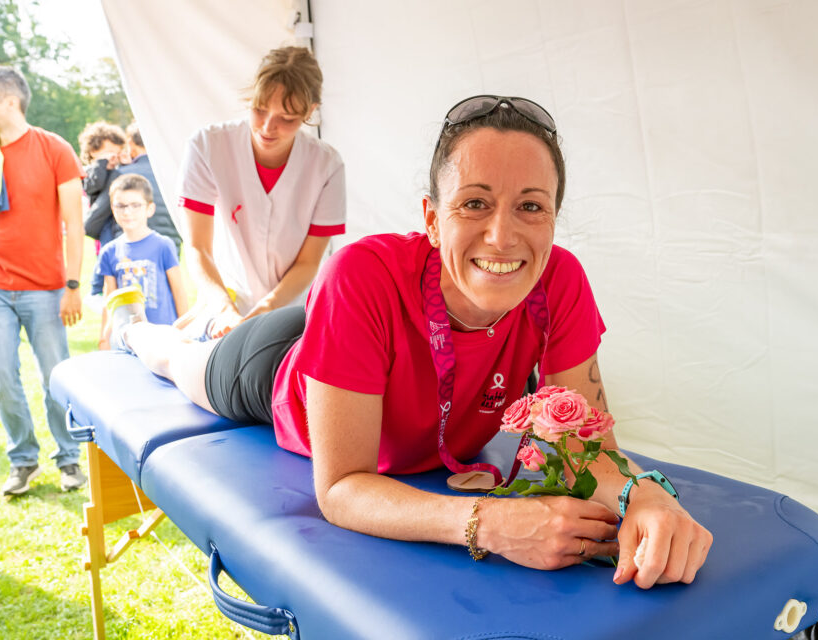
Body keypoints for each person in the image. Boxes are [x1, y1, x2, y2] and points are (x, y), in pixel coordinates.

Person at [113, 95, 713, 587]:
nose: (502, 235)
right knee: (176, 361)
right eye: (474, 203)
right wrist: (493, 524)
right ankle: (135, 327)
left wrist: (648, 496)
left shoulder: (562, 280)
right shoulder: (359, 273)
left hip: (350, 335)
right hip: (269, 368)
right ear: (430, 217)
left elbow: (588, 446)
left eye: (531, 206)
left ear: (553, 219)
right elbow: (342, 488)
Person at [0, 65, 87, 495]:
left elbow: (73, 220)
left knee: (55, 377)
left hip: (45, 289)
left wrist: (71, 286)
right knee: (0, 374)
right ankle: (23, 459)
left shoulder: (55, 149)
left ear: (9, 101)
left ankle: (69, 459)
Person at [174, 45, 346, 339]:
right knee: (184, 350)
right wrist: (224, 309)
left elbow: (308, 262)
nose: (268, 128)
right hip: (225, 296)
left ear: (311, 111)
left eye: (287, 118)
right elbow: (197, 247)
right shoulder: (207, 146)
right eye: (259, 110)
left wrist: (266, 309)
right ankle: (132, 333)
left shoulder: (326, 165)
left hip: (292, 304)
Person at [96, 173, 188, 350]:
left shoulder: (163, 245)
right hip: (128, 338)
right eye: (120, 205)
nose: (127, 212)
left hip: (163, 336)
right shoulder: (109, 251)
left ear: (150, 208)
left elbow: (179, 293)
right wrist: (104, 337)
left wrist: (184, 330)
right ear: (112, 209)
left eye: (135, 205)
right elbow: (110, 300)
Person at [78, 121, 129, 300]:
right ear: (93, 152)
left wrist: (123, 164)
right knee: (105, 254)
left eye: (115, 152)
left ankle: (109, 289)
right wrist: (102, 165)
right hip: (102, 221)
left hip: (116, 220)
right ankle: (96, 289)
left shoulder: (116, 168)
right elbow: (93, 186)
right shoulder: (91, 170)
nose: (112, 156)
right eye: (107, 152)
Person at [119, 122, 181, 254]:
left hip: (131, 249)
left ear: (130, 143)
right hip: (170, 246)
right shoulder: (174, 173)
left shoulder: (121, 175)